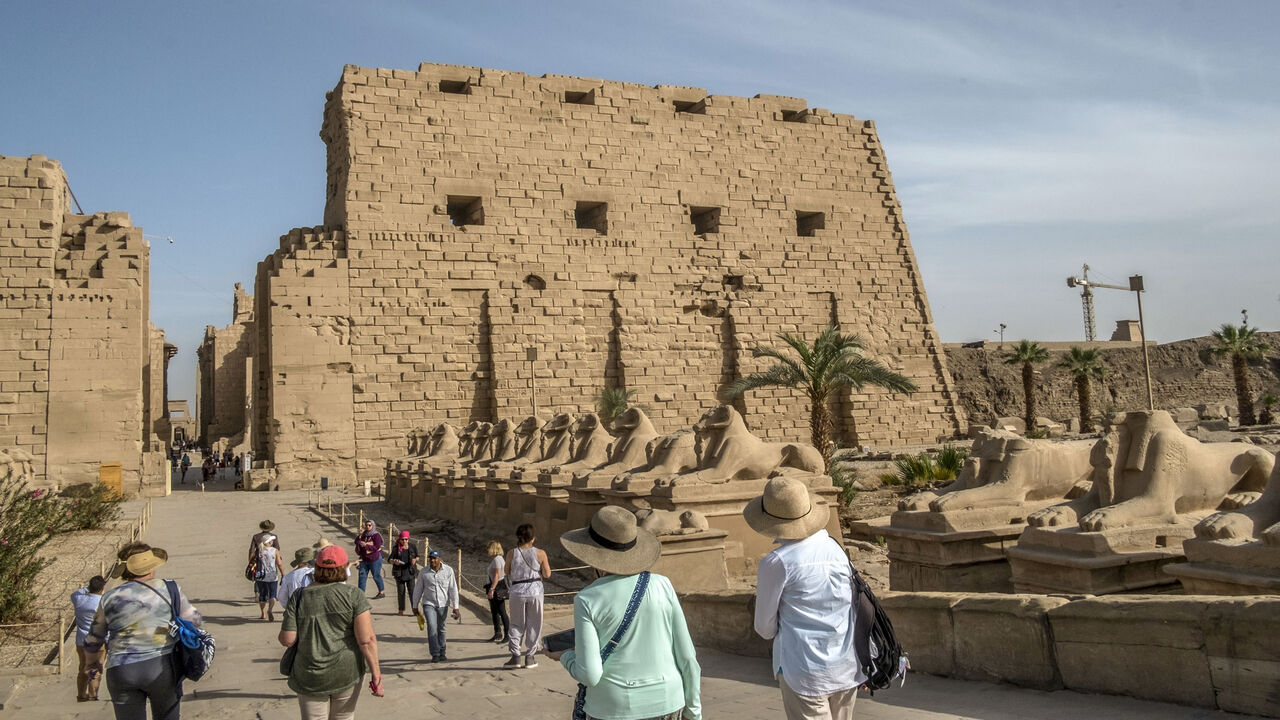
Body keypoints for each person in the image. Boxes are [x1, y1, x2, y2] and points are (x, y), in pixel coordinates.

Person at [549, 506, 702, 720]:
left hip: (612, 707)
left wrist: (565, 656)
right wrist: (694, 711)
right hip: (668, 700)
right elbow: (687, 657)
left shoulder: (587, 598)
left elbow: (590, 675)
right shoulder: (662, 585)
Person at [746, 477, 862, 720]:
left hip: (804, 669)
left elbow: (764, 628)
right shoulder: (834, 549)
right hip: (845, 664)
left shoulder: (777, 562)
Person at [83, 542, 202, 720]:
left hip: (121, 668)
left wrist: (92, 664)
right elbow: (195, 620)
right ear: (152, 567)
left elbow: (94, 639)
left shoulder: (109, 597)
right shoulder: (169, 588)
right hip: (162, 667)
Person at [279, 544, 384, 719]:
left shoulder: (299, 596)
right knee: (344, 717)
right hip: (347, 671)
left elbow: (288, 640)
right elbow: (366, 640)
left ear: (317, 567)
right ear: (343, 568)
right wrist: (376, 674)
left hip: (310, 673)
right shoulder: (354, 594)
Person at [503, 523, 550, 669]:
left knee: (516, 623)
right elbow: (547, 574)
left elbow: (506, 571)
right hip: (535, 590)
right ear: (533, 538)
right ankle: (530, 656)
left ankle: (515, 656)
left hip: (517, 590)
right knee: (535, 623)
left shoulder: (512, 553)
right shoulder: (540, 553)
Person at [410, 550, 460, 663]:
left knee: (441, 628)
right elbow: (418, 589)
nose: (433, 560)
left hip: (443, 604)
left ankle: (442, 651)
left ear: (440, 559)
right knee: (432, 627)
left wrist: (456, 607)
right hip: (429, 603)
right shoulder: (424, 572)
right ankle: (435, 653)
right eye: (431, 558)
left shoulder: (448, 571)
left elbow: (453, 589)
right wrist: (414, 605)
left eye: (435, 558)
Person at [71, 575, 108, 702]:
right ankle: (93, 695)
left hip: (81, 639)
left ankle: (81, 694)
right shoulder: (103, 602)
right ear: (102, 588)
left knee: (82, 667)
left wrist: (89, 586)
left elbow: (77, 592)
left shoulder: (78, 598)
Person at [388, 531, 420, 615]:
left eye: (406, 539)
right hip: (399, 573)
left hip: (410, 572)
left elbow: (417, 556)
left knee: (412, 592)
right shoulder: (396, 548)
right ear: (400, 539)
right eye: (402, 539)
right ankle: (401, 609)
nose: (404, 541)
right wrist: (395, 561)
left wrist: (415, 560)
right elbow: (389, 559)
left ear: (408, 539)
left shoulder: (412, 546)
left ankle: (415, 609)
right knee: (401, 592)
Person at [484, 540, 509, 644]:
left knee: (501, 611)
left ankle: (507, 634)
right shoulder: (498, 559)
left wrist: (492, 589)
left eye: (488, 548)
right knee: (494, 611)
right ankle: (497, 633)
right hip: (496, 585)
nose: (487, 550)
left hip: (497, 586)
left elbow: (497, 575)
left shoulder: (497, 560)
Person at [256, 535, 286, 621]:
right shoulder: (274, 551)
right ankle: (270, 609)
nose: (273, 542)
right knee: (272, 594)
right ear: (269, 542)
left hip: (260, 575)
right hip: (272, 575)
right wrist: (283, 574)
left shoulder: (258, 550)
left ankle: (263, 613)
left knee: (262, 594)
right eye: (272, 540)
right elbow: (279, 564)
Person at [354, 520, 386, 599]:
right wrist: (360, 536)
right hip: (364, 559)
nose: (367, 527)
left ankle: (381, 592)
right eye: (366, 525)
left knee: (376, 575)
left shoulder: (376, 535)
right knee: (362, 576)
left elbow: (377, 547)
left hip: (374, 558)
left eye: (369, 525)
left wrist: (366, 546)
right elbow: (356, 542)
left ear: (373, 526)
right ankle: (361, 595)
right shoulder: (364, 534)